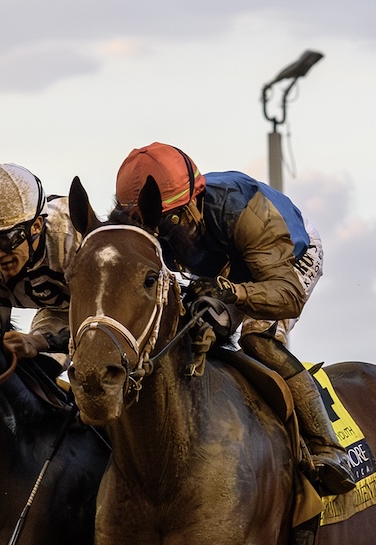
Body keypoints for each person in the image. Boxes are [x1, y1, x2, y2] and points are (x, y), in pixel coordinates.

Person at [114, 143, 354, 495]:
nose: (160, 235)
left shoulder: (243, 212)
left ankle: (328, 448)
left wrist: (236, 294)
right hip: (226, 263)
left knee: (258, 340)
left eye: (166, 223)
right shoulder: (163, 223)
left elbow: (288, 297)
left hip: (285, 259)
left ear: (192, 203)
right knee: (190, 334)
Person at [0, 163, 81, 364]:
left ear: (36, 226)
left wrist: (40, 341)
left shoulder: (72, 240)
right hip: (55, 312)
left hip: (113, 311)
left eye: (6, 238)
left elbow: (104, 319)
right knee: (40, 365)